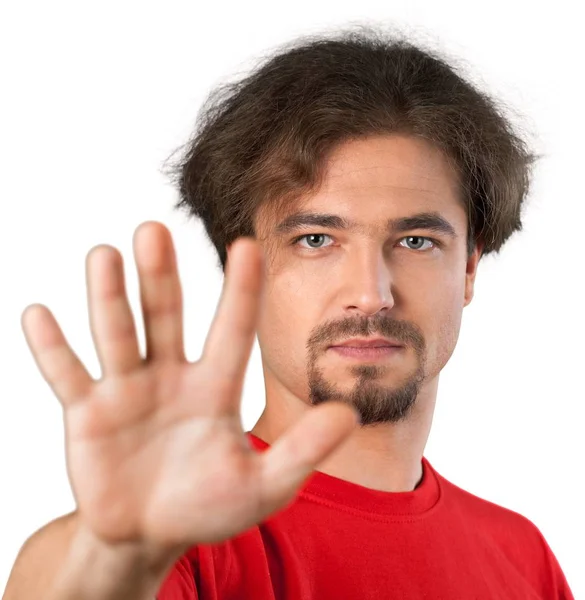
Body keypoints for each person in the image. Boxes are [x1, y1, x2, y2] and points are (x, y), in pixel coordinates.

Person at [4, 25, 574, 600]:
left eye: (417, 241)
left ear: (470, 268)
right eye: (316, 240)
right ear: (240, 268)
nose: (371, 294)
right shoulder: (184, 535)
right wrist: (111, 552)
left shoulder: (522, 556)